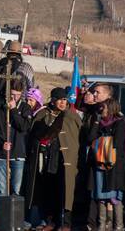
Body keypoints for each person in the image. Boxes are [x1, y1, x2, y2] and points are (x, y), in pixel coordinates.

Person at [26, 88, 82, 231]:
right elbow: (35, 134)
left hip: (66, 160)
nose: (63, 103)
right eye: (59, 99)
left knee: (66, 192)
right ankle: (51, 221)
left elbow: (79, 137)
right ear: (53, 100)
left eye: (65, 99)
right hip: (48, 158)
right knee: (50, 190)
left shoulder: (72, 116)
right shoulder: (43, 114)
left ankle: (66, 223)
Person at [86, 96, 125, 231]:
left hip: (114, 165)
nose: (101, 110)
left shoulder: (120, 122)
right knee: (101, 197)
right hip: (100, 163)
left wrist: (99, 141)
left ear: (111, 109)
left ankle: (117, 226)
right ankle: (102, 225)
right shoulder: (99, 122)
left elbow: (117, 143)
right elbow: (90, 138)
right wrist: (96, 123)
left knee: (113, 198)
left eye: (103, 108)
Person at [0, 78, 32, 196]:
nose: (14, 98)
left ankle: (14, 214)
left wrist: (13, 110)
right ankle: (2, 213)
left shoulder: (25, 108)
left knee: (16, 190)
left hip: (18, 153)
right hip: (1, 154)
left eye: (17, 95)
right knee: (1, 190)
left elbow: (24, 127)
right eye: (12, 94)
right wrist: (0, 143)